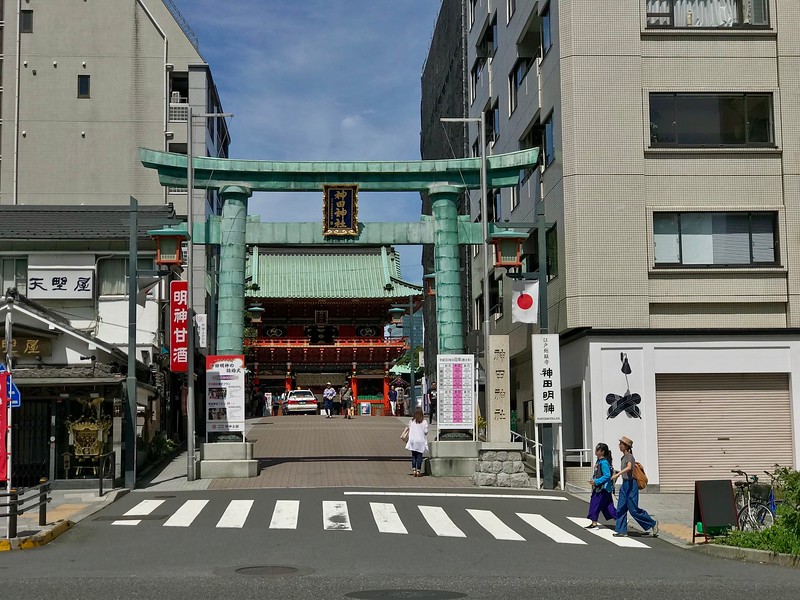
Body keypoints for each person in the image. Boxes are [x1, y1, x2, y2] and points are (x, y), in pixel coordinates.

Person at [611, 436, 658, 537]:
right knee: (621, 508)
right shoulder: (623, 457)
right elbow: (626, 470)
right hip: (625, 484)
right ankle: (621, 531)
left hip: (632, 485)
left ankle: (652, 523)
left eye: (621, 444)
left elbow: (628, 468)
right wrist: (617, 474)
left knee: (633, 510)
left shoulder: (629, 457)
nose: (619, 446)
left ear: (626, 446)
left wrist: (618, 474)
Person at [585, 442, 617, 528]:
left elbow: (607, 475)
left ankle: (594, 523)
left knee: (594, 504)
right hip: (604, 488)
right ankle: (621, 519)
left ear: (602, 452)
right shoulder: (599, 461)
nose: (595, 451)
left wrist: (596, 481)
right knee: (608, 506)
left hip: (602, 488)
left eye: (597, 449)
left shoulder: (604, 463)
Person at [405, 407, 429, 477]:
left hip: (413, 441)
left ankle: (414, 470)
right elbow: (426, 431)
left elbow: (410, 429)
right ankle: (418, 471)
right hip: (420, 441)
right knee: (419, 456)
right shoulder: (424, 422)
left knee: (413, 456)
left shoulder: (411, 421)